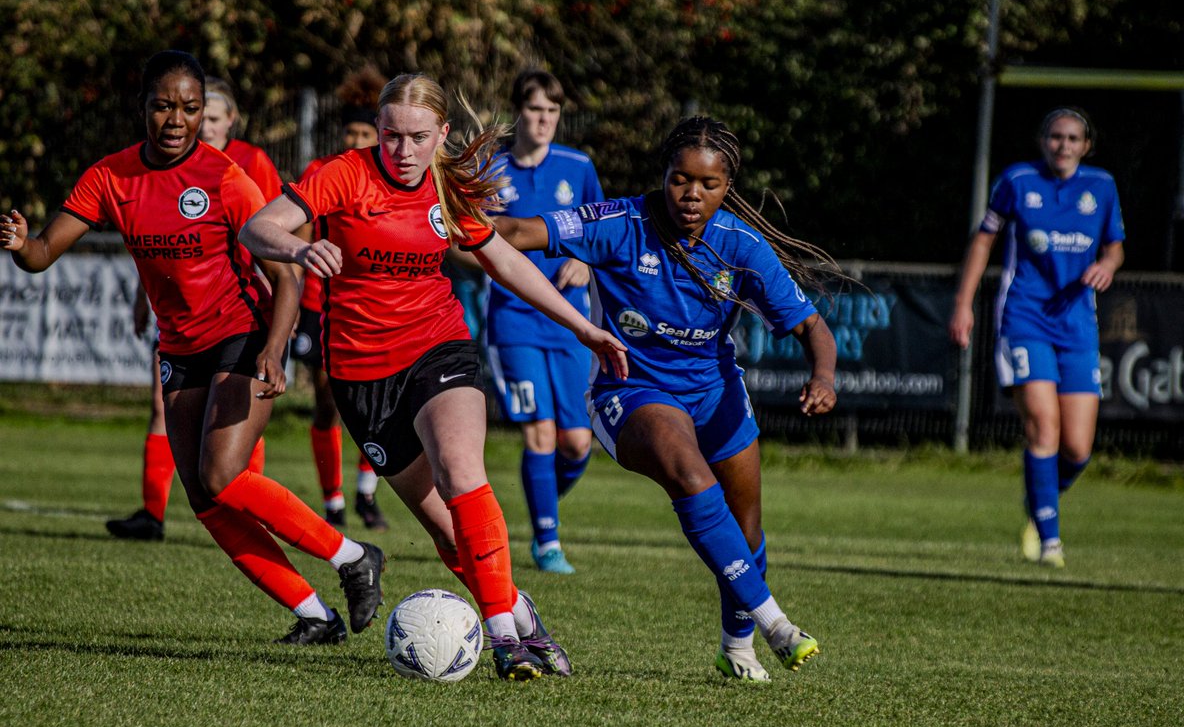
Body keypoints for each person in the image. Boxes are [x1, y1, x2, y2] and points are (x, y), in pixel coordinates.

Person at [239, 72, 629, 680]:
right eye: (392, 135)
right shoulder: (344, 173)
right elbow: (257, 226)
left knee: (460, 468)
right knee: (451, 539)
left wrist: (583, 327)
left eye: (418, 138)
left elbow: (501, 258)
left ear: (441, 134)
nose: (402, 151)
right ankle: (523, 618)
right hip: (363, 377)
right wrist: (297, 248)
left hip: (438, 347)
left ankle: (503, 640)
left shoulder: (448, 185)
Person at [1, 50, 385, 645]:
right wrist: (23, 243)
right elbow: (44, 253)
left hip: (242, 334)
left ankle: (353, 556)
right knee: (206, 501)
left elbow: (287, 273)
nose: (176, 120)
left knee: (223, 473)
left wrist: (275, 348)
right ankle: (314, 614)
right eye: (163, 106)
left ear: (204, 112)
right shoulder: (111, 177)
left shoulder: (224, 177)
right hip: (180, 349)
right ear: (143, 109)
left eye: (189, 107)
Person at [493, 115, 839, 683]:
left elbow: (810, 327)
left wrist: (823, 377)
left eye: (708, 184)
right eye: (681, 179)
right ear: (664, 175)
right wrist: (446, 217)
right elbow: (516, 232)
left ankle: (738, 645)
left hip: (715, 393)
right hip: (630, 391)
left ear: (728, 189)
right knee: (687, 469)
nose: (692, 195)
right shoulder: (619, 222)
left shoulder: (741, 246)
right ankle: (777, 624)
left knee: (746, 531)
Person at [949, 106, 1125, 569]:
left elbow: (1114, 245)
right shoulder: (1017, 181)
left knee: (1078, 449)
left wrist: (1107, 266)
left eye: (1072, 139)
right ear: (1043, 140)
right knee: (1043, 428)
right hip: (1024, 319)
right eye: (1055, 137)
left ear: (1086, 146)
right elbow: (984, 240)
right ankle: (1050, 540)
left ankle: (1040, 500)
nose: (1062, 146)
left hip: (1077, 326)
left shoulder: (1102, 187)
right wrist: (963, 304)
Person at [107, 76, 279, 541]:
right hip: (179, 318)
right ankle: (152, 512)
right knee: (161, 411)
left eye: (210, 117)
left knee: (232, 437)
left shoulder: (246, 165)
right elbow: (163, 243)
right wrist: (145, 298)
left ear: (226, 120)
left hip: (236, 312)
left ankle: (254, 503)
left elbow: (275, 230)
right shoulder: (167, 165)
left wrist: (277, 294)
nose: (200, 128)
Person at [484, 70, 604, 574]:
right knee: (541, 432)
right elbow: (467, 241)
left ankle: (542, 507)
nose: (545, 120)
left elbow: (604, 226)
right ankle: (547, 541)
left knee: (578, 442)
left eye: (553, 111)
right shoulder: (491, 170)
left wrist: (588, 259)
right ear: (519, 113)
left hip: (571, 321)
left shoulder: (577, 167)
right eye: (536, 110)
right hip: (514, 322)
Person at [291, 66, 391, 530]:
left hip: (371, 306)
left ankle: (367, 495)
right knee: (329, 401)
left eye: (364, 132)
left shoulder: (388, 181)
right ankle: (333, 503)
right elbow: (300, 239)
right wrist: (290, 304)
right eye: (350, 131)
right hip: (320, 304)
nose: (355, 140)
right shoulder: (321, 173)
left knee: (374, 405)